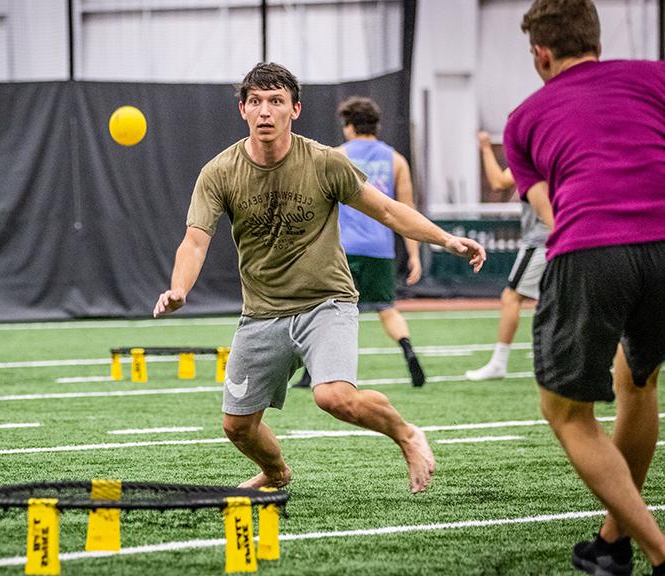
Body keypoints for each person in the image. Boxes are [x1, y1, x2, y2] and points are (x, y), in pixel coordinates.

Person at [153, 63, 486, 493]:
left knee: (333, 397)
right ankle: (276, 473)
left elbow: (387, 210)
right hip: (262, 313)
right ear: (243, 110)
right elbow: (195, 241)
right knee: (237, 426)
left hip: (325, 302)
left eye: (276, 101)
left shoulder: (326, 163)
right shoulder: (219, 172)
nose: (265, 111)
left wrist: (447, 240)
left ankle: (407, 435)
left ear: (295, 109)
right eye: (256, 101)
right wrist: (180, 288)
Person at [504, 1, 665, 576]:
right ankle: (612, 547)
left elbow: (552, 215)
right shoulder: (656, 78)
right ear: (594, 38)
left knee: (566, 411)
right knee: (638, 382)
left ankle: (658, 554)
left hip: (593, 246)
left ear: (541, 54)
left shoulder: (524, 118)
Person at [295, 96, 425, 389]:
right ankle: (408, 351)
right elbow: (407, 209)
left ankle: (309, 372)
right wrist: (414, 254)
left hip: (343, 250)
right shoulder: (396, 160)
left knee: (324, 309)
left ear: (349, 126)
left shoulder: (336, 155)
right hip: (380, 249)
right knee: (387, 307)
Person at [465, 131, 550, 381]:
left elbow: (499, 182)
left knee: (511, 296)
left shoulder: (534, 159)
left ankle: (499, 362)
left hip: (542, 239)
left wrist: (484, 147)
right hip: (561, 236)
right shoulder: (557, 153)